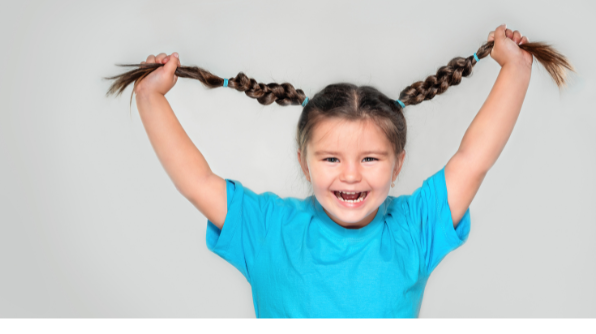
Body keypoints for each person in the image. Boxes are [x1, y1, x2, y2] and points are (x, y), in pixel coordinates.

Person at [120, 24, 568, 318]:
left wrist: (516, 68)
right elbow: (195, 181)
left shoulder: (414, 228)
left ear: (398, 165)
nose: (350, 175)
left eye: (370, 159)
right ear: (303, 161)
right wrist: (149, 97)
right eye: (331, 158)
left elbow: (474, 158)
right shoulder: (266, 229)